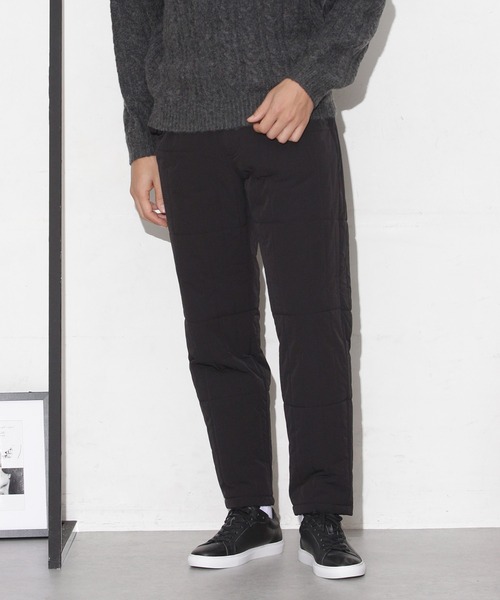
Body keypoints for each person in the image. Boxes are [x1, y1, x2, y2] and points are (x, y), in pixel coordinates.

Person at [110, 0, 385, 580]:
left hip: (292, 120)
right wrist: (141, 142)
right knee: (217, 331)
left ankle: (322, 515)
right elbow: (133, 19)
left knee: (315, 323)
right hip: (185, 131)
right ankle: (249, 512)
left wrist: (309, 80)